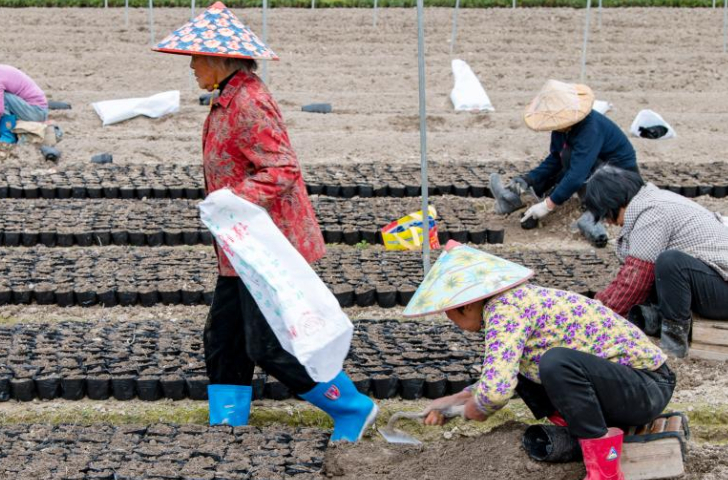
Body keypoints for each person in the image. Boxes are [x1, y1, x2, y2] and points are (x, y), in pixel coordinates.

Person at [153, 2, 377, 442]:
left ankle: (353, 407)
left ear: (222, 60)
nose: (192, 66)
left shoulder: (249, 102)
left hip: (267, 244)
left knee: (269, 345)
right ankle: (228, 422)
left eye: (197, 58)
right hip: (239, 245)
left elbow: (281, 168)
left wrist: (229, 202)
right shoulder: (226, 98)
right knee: (224, 338)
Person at [403, 241, 675, 480]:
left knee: (556, 362)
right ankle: (575, 428)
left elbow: (495, 393)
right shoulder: (510, 304)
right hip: (628, 387)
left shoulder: (506, 310)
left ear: (467, 304)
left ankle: (604, 472)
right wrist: (456, 401)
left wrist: (478, 407)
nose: (458, 325)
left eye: (453, 316)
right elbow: (501, 373)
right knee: (523, 364)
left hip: (647, 386)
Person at [583, 166, 728, 358]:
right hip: (714, 282)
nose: (609, 223)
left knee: (670, 263)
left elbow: (637, 279)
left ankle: (674, 343)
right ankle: (657, 320)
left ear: (614, 202)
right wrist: (599, 303)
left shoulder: (652, 212)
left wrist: (603, 320)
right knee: (660, 271)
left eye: (607, 215)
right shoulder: (650, 201)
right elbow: (630, 272)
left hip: (723, 288)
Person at [489, 80, 637, 247]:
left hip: (620, 180)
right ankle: (513, 198)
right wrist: (529, 179)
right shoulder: (563, 128)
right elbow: (555, 159)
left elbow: (576, 176)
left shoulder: (590, 129)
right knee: (563, 159)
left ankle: (594, 216)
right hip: (594, 171)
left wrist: (548, 205)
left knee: (571, 162)